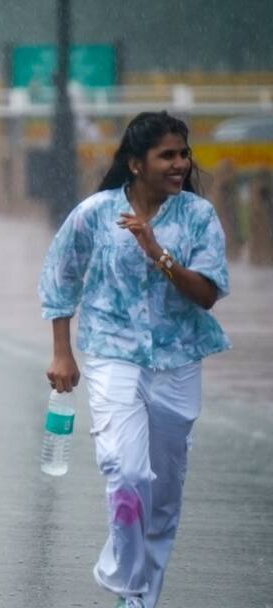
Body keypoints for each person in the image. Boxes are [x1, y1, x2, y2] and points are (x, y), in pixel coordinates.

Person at [40, 111, 231, 608]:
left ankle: (141, 599)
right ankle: (128, 583)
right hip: (112, 353)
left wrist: (158, 252)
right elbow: (61, 276)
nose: (180, 164)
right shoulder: (95, 213)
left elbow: (207, 294)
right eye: (167, 155)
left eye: (183, 154)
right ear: (136, 163)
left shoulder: (198, 217)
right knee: (127, 473)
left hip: (178, 361)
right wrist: (62, 351)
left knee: (163, 494)